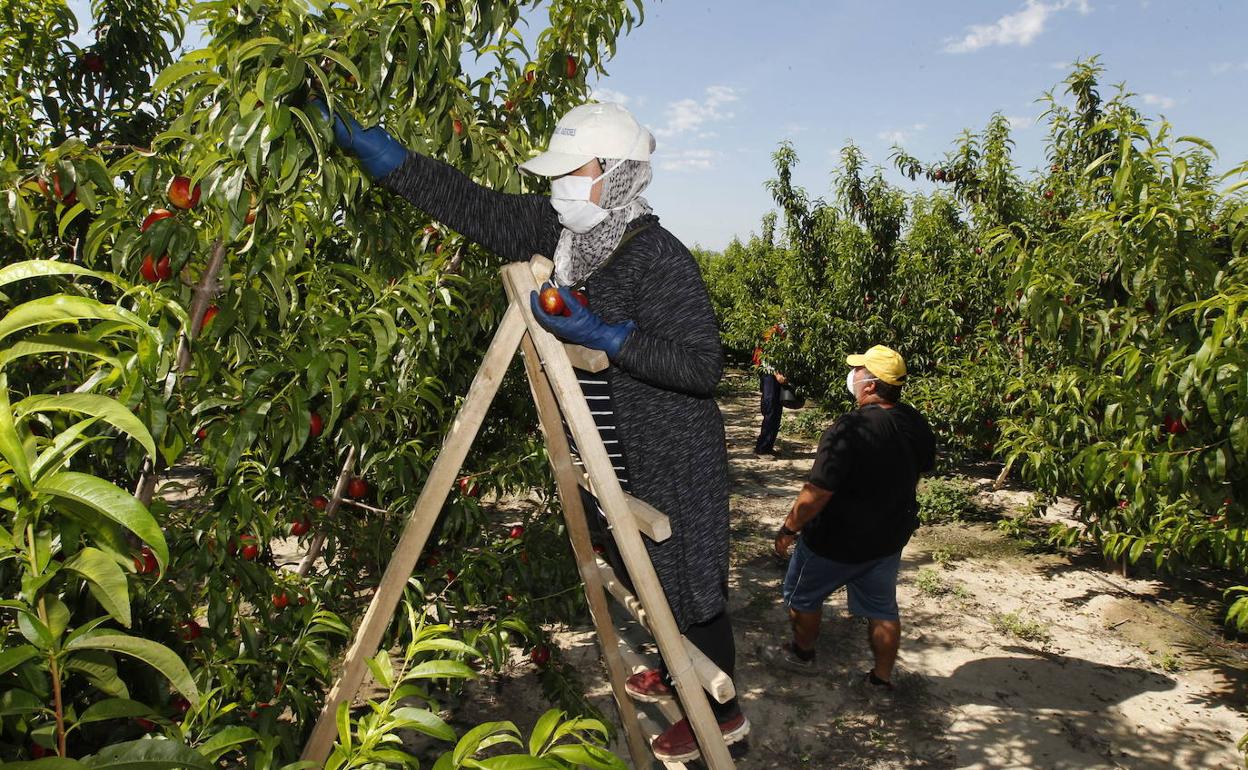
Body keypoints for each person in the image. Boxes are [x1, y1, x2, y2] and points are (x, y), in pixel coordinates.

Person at [315, 100, 746, 761]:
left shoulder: (657, 257)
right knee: (637, 563)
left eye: (570, 172)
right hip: (607, 450)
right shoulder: (561, 234)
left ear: (613, 173)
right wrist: (390, 160)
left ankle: (724, 714)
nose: (557, 187)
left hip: (670, 450)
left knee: (689, 577)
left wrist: (609, 336)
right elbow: (474, 206)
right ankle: (671, 664)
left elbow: (701, 365)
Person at [768, 344, 935, 695]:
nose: (853, 375)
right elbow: (916, 473)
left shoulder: (849, 428)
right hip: (887, 538)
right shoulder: (916, 423)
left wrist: (788, 529)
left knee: (802, 599)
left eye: (859, 370)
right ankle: (881, 678)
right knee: (882, 608)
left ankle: (802, 652)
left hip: (835, 541)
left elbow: (818, 493)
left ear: (870, 385)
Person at [752, 323, 787, 456]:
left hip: (777, 374)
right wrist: (776, 373)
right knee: (770, 407)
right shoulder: (772, 332)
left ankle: (768, 446)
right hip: (768, 374)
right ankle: (762, 447)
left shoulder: (786, 331)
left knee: (777, 409)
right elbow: (765, 355)